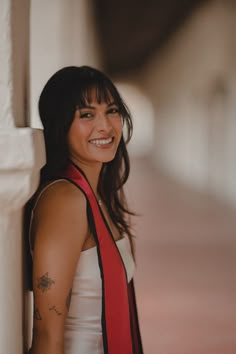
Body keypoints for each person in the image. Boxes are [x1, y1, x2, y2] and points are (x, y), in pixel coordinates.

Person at [26, 66, 143, 354]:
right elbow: (46, 335)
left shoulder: (96, 196)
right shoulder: (65, 200)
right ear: (60, 126)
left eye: (112, 111)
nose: (105, 126)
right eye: (87, 115)